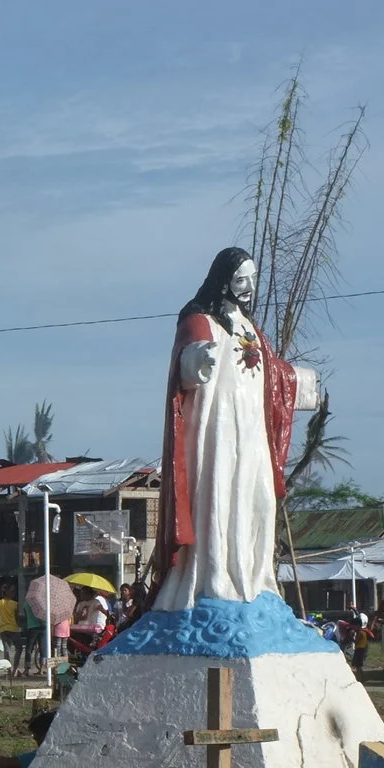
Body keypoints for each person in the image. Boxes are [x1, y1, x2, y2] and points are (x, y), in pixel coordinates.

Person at [152, 246, 324, 609]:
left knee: (258, 498)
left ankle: (254, 576)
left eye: (253, 279)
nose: (248, 287)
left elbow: (271, 372)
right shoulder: (200, 319)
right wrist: (197, 359)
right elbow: (185, 365)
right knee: (219, 495)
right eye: (240, 279)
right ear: (223, 280)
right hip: (217, 432)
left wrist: (299, 381)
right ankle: (214, 579)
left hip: (253, 432)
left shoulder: (249, 326)